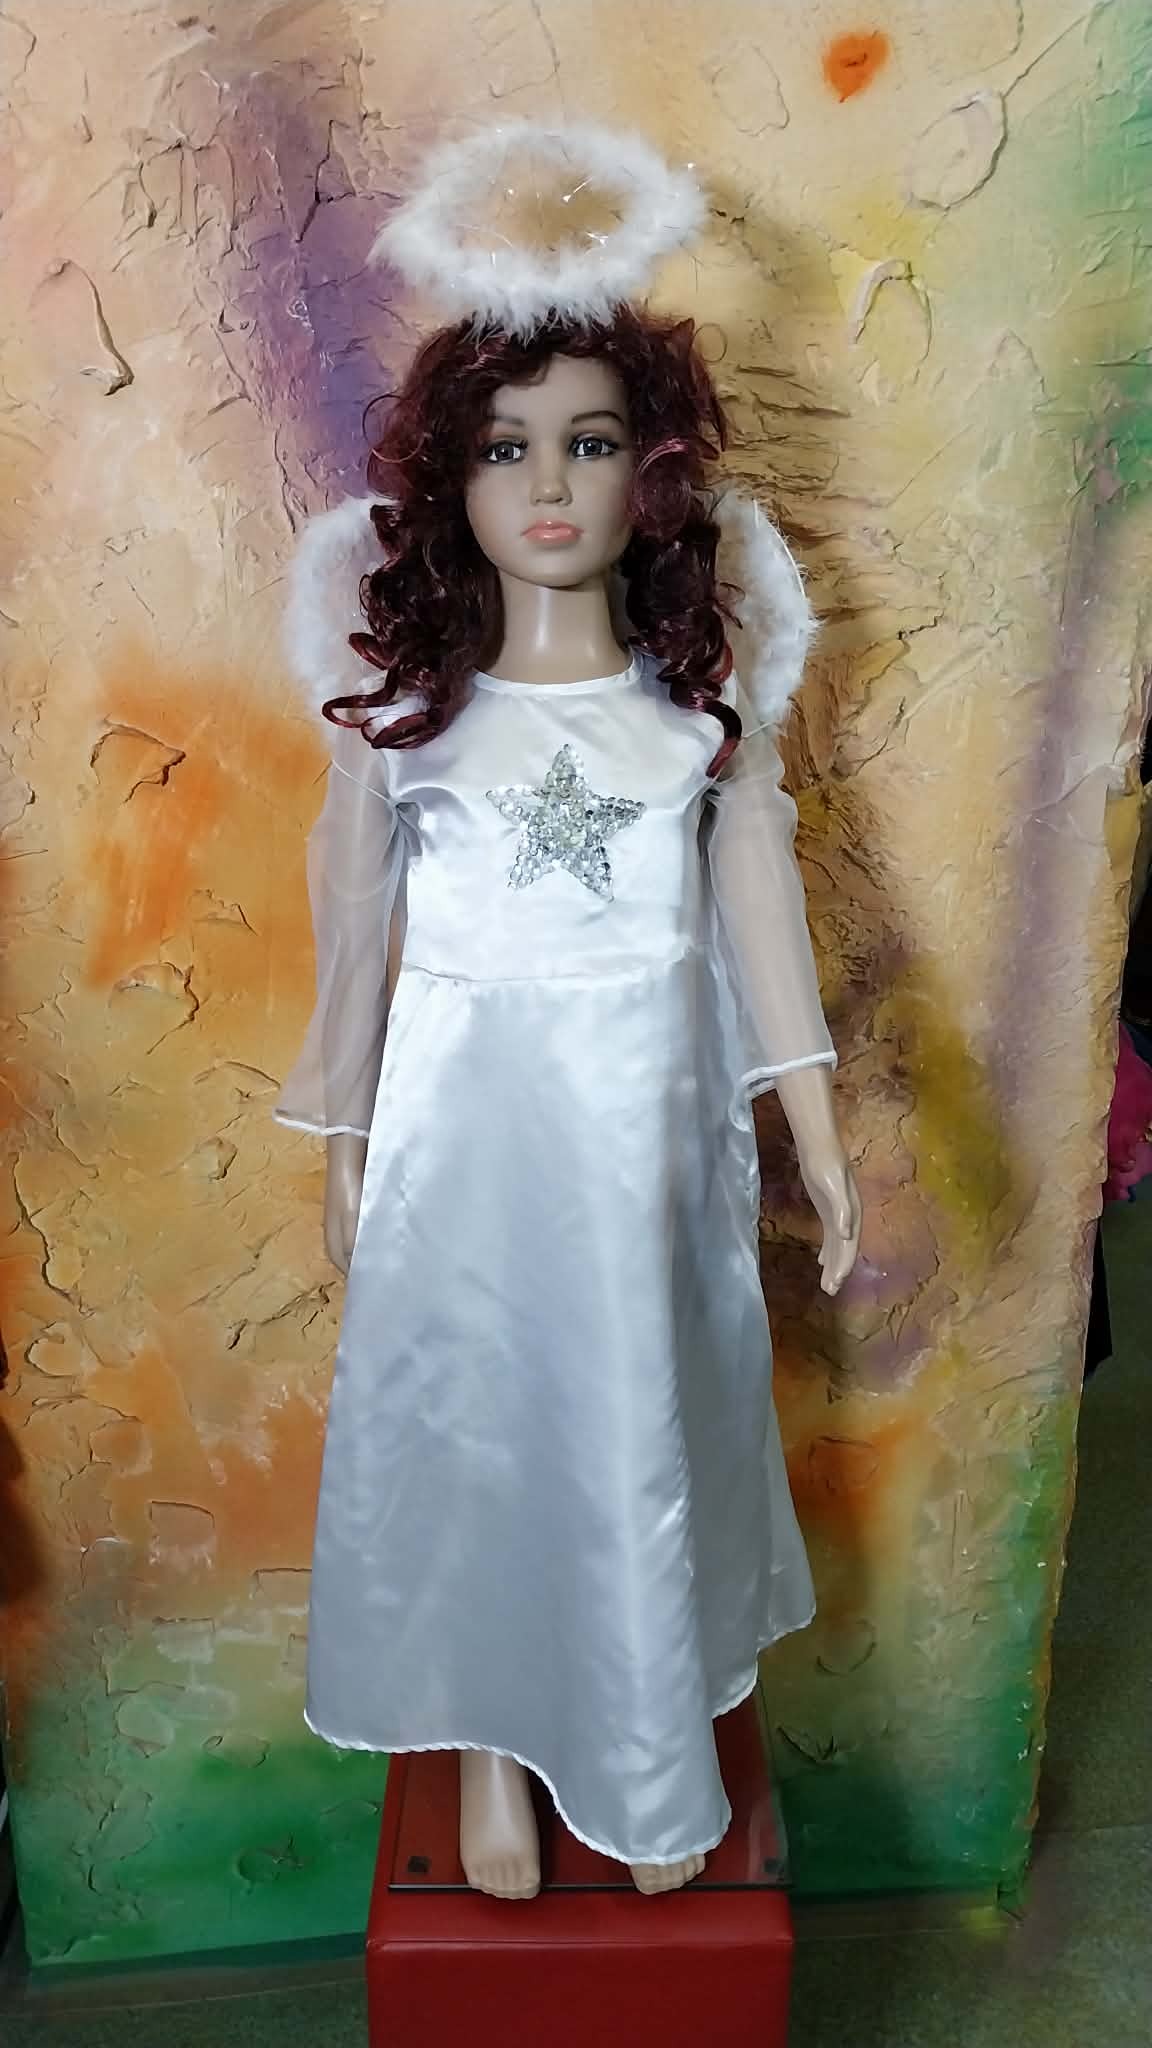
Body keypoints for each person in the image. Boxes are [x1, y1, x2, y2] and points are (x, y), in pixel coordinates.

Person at [275, 123, 862, 1901]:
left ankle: (639, 1736)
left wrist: (817, 1135)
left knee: (633, 1430)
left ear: (652, 470)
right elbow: (357, 932)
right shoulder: (413, 721)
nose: (549, 485)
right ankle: (487, 1748)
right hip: (466, 1149)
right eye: (506, 447)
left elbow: (757, 909)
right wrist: (343, 1135)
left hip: (643, 1145)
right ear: (448, 478)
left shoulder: (693, 715)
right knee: (472, 1435)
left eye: (591, 443)